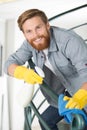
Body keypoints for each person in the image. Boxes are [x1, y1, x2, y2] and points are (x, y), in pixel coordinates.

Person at [4, 9, 87, 130]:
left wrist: (82, 96)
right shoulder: (29, 43)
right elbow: (8, 64)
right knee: (45, 121)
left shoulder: (69, 41)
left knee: (80, 124)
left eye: (38, 27)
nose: (36, 35)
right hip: (64, 94)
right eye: (29, 31)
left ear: (47, 25)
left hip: (82, 91)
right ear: (24, 34)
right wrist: (21, 72)